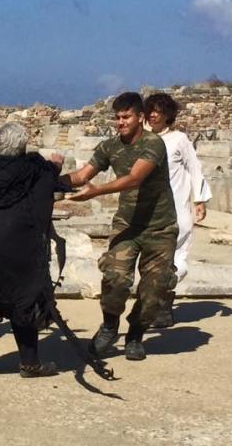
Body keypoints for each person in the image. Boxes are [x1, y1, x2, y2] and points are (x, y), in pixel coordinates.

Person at [64, 92, 178, 361]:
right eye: (117, 117)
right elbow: (82, 175)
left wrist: (95, 192)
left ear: (140, 117)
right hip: (128, 224)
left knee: (154, 290)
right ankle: (109, 325)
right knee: (115, 278)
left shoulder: (153, 144)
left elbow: (135, 178)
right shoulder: (110, 146)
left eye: (126, 117)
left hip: (160, 228)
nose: (120, 122)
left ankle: (135, 334)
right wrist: (45, 180)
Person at [0, 123, 68, 378]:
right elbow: (46, 183)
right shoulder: (31, 169)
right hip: (17, 250)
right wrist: (56, 166)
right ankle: (30, 364)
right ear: (21, 148)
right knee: (23, 300)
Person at [144, 93, 211, 327]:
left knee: (176, 256)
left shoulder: (179, 139)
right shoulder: (142, 138)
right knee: (150, 258)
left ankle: (164, 302)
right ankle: (155, 302)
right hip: (149, 208)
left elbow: (195, 169)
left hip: (177, 206)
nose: (153, 115)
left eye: (158, 111)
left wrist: (199, 200)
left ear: (167, 114)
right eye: (150, 110)